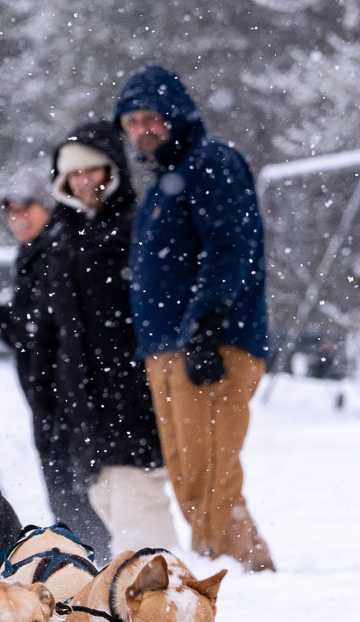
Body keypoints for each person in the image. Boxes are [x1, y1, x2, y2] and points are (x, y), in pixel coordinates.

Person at [114, 63, 276, 572]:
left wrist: (207, 324)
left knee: (211, 476)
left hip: (212, 344)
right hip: (165, 349)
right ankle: (245, 571)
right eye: (132, 122)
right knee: (189, 477)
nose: (142, 130)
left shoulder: (211, 162)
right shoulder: (163, 184)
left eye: (150, 117)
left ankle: (242, 579)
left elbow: (233, 248)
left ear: (175, 114)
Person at [41, 121, 176, 553]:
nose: (84, 182)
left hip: (131, 385)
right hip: (81, 395)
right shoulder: (60, 237)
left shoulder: (137, 227)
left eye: (92, 170)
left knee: (139, 498)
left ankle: (163, 598)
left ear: (112, 170)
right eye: (74, 174)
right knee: (107, 498)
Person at [0, 167, 113, 551]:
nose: (18, 218)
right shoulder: (31, 253)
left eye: (26, 209)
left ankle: (94, 560)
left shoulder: (55, 250)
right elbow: (32, 331)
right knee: (63, 485)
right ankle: (84, 557)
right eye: (10, 211)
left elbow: (43, 328)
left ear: (48, 208)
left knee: (75, 487)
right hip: (48, 393)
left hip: (67, 391)